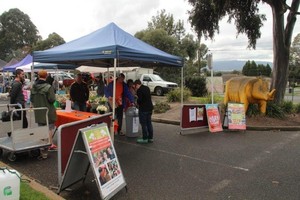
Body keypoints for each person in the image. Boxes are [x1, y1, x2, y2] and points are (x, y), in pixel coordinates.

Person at [30, 70, 58, 157]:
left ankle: (42, 144)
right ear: (46, 76)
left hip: (38, 110)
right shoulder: (48, 87)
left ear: (38, 76)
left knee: (41, 128)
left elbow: (31, 99)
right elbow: (52, 99)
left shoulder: (33, 87)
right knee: (49, 128)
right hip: (47, 110)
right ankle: (49, 144)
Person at [134, 79, 154, 144]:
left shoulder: (139, 90)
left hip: (143, 109)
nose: (135, 87)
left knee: (144, 124)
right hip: (150, 108)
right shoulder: (147, 88)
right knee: (149, 123)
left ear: (137, 85)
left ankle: (145, 138)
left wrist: (137, 100)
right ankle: (150, 138)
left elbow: (140, 100)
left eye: (135, 86)